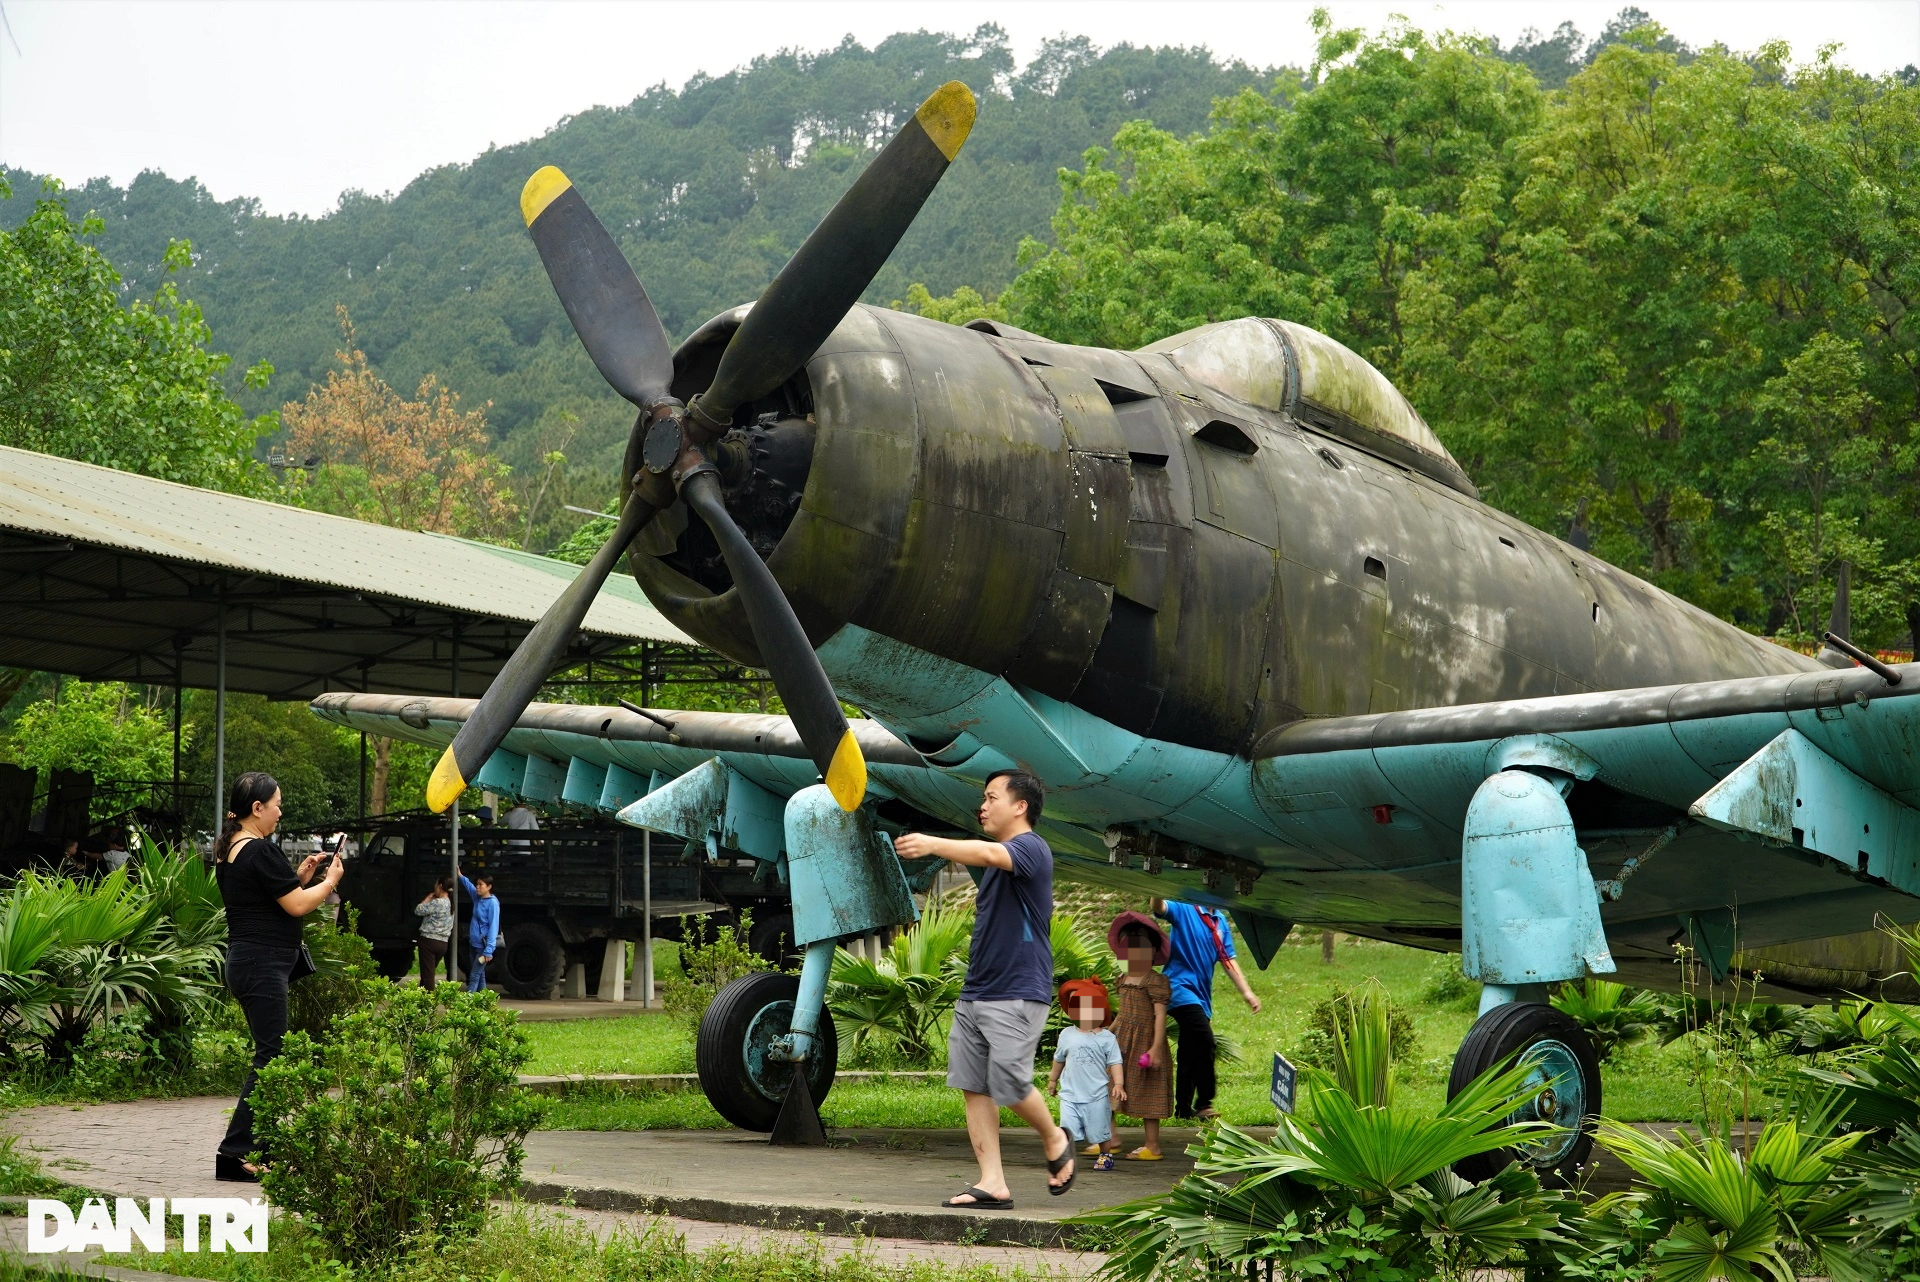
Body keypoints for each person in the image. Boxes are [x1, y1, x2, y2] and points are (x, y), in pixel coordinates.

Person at [895, 769, 1075, 1206]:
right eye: (983, 797)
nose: (983, 805)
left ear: (1020, 806)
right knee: (974, 1084)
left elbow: (988, 855)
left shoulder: (1030, 848)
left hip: (1017, 988)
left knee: (1009, 1083)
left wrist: (934, 845)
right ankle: (992, 1181)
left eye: (992, 797)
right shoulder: (1000, 855)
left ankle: (1055, 1139)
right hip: (978, 989)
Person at [213, 771, 346, 1182]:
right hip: (261, 965)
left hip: (247, 962)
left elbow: (263, 900)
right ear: (257, 808)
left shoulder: (230, 849)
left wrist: (300, 878)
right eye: (276, 805)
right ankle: (235, 1153)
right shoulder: (259, 850)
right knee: (271, 1057)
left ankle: (259, 1150)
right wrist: (328, 882)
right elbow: (297, 907)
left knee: (271, 1056)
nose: (280, 812)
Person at [1155, 898, 1262, 1120]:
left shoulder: (1220, 921)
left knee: (1190, 1050)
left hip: (1202, 995)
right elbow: (1159, 908)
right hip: (1178, 987)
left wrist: (1247, 993)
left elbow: (1228, 959)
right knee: (1205, 1040)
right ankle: (1204, 1103)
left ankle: (1183, 1110)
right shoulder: (1184, 907)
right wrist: (1157, 888)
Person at [1107, 911, 1173, 1159]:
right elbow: (1122, 1015)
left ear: (1153, 952)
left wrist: (1155, 1048)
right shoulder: (1123, 979)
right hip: (1121, 1042)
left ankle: (1152, 1146)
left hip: (1146, 1043)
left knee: (1149, 1092)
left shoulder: (1155, 982)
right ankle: (1110, 1137)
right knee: (1107, 1085)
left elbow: (1159, 1016)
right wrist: (1105, 1034)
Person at [1048, 979, 1125, 1171]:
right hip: (1070, 1094)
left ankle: (1105, 1154)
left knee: (1100, 1129)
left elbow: (1115, 1061)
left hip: (1096, 1094)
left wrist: (1118, 1084)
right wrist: (1052, 1080)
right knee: (1067, 1129)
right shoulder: (1066, 1034)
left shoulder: (1106, 1038)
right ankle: (1065, 1158)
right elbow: (1059, 1059)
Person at [457, 867, 501, 992]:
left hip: (483, 946)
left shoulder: (492, 903)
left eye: (481, 885)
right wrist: (460, 876)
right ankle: (484, 1001)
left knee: (474, 975)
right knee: (480, 975)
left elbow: (494, 926)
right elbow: (469, 886)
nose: (477, 887)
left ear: (489, 887)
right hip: (474, 944)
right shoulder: (477, 898)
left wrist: (489, 950)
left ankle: (468, 1003)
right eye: (477, 884)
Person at [413, 876, 454, 990]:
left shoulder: (437, 902)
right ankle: (421, 995)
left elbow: (418, 910)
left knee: (428, 976)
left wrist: (427, 899)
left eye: (436, 885)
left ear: (440, 886)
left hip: (429, 941)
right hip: (443, 942)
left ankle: (429, 1000)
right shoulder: (451, 903)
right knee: (428, 972)